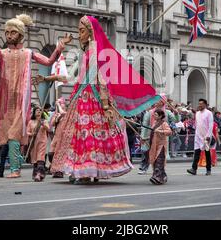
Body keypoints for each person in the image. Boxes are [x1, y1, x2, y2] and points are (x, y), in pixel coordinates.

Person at [43, 16, 160, 184]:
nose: (79, 35)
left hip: (93, 98)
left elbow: (101, 78)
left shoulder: (96, 52)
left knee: (90, 134)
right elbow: (70, 76)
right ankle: (85, 170)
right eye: (78, 31)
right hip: (82, 97)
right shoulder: (86, 53)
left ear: (90, 33)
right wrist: (47, 77)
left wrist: (105, 103)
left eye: (81, 31)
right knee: (80, 135)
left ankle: (88, 171)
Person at [0, 14, 72, 178]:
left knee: (13, 135)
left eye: (12, 32)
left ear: (20, 34)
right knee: (9, 137)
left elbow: (48, 62)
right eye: (7, 32)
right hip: (4, 103)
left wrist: (59, 47)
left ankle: (16, 170)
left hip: (21, 100)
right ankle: (20, 167)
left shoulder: (28, 53)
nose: (9, 35)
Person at [187, 99, 214, 176]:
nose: (200, 105)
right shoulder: (197, 113)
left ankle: (208, 169)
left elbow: (211, 125)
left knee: (207, 153)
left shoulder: (209, 113)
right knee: (197, 152)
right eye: (199, 104)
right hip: (198, 136)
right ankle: (194, 169)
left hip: (206, 137)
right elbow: (197, 124)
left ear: (205, 105)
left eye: (201, 104)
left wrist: (208, 136)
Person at [149, 109, 173, 185]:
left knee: (159, 161)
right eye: (154, 114)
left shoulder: (164, 123)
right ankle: (162, 176)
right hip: (154, 145)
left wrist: (160, 131)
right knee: (155, 161)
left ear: (160, 116)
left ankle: (157, 177)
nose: (154, 116)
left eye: (156, 115)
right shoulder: (154, 123)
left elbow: (169, 132)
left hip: (161, 145)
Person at [26, 107, 49, 182]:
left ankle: (39, 174)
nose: (38, 111)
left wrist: (43, 124)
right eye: (37, 110)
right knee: (35, 158)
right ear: (34, 112)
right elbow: (27, 132)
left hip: (42, 141)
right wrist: (31, 134)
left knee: (40, 157)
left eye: (40, 110)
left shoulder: (44, 121)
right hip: (34, 142)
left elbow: (48, 129)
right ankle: (36, 173)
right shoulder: (31, 122)